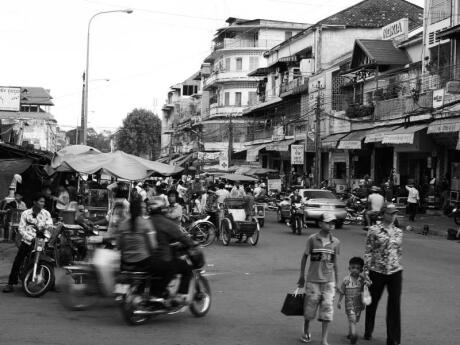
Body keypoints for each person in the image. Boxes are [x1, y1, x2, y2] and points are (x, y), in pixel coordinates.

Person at [297, 213, 340, 345]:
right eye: (328, 222)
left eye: (332, 222)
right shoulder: (312, 239)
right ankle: (306, 330)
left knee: (327, 311)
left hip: (329, 282)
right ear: (320, 223)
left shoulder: (336, 242)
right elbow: (305, 256)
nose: (330, 225)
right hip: (313, 281)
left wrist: (337, 282)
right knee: (309, 310)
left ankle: (324, 338)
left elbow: (335, 262)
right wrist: (302, 275)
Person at [364, 204, 403, 345]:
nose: (393, 216)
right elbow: (368, 251)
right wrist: (366, 272)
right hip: (377, 271)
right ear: (383, 214)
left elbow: (398, 251)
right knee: (372, 303)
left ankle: (392, 338)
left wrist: (396, 264)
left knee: (394, 304)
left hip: (395, 271)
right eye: (390, 213)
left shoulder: (398, 232)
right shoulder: (374, 230)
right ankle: (368, 330)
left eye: (395, 214)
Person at [148, 197, 195, 302]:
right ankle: (179, 296)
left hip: (146, 260)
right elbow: (182, 236)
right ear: (162, 209)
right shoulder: (165, 222)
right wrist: (192, 243)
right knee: (186, 269)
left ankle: (162, 292)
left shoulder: (145, 221)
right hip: (162, 259)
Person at [3, 193, 53, 293]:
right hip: (27, 241)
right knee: (18, 261)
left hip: (41, 241)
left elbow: (49, 228)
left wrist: (46, 238)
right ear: (35, 202)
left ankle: (51, 284)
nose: (42, 203)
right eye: (40, 201)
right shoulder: (25, 213)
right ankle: (11, 284)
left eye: (43, 202)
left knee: (47, 261)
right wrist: (30, 238)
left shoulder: (46, 214)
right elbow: (21, 229)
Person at [337, 257, 367, 345]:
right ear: (349, 268)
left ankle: (350, 333)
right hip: (349, 302)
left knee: (355, 320)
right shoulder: (346, 280)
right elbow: (342, 291)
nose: (355, 270)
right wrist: (339, 301)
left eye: (358, 268)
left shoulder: (362, 280)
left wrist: (364, 301)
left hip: (358, 303)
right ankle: (354, 335)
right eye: (353, 267)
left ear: (361, 270)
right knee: (352, 318)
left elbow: (364, 291)